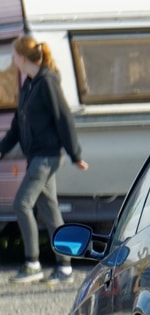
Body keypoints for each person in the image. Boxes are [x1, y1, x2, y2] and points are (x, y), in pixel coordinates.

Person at [0, 35, 88, 284]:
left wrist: (75, 155)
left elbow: (64, 120)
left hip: (47, 157)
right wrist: (2, 149)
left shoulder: (48, 82)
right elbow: (17, 126)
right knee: (50, 211)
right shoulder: (29, 84)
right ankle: (65, 267)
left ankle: (32, 263)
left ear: (22, 57)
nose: (12, 59)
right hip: (36, 156)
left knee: (21, 204)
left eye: (14, 54)